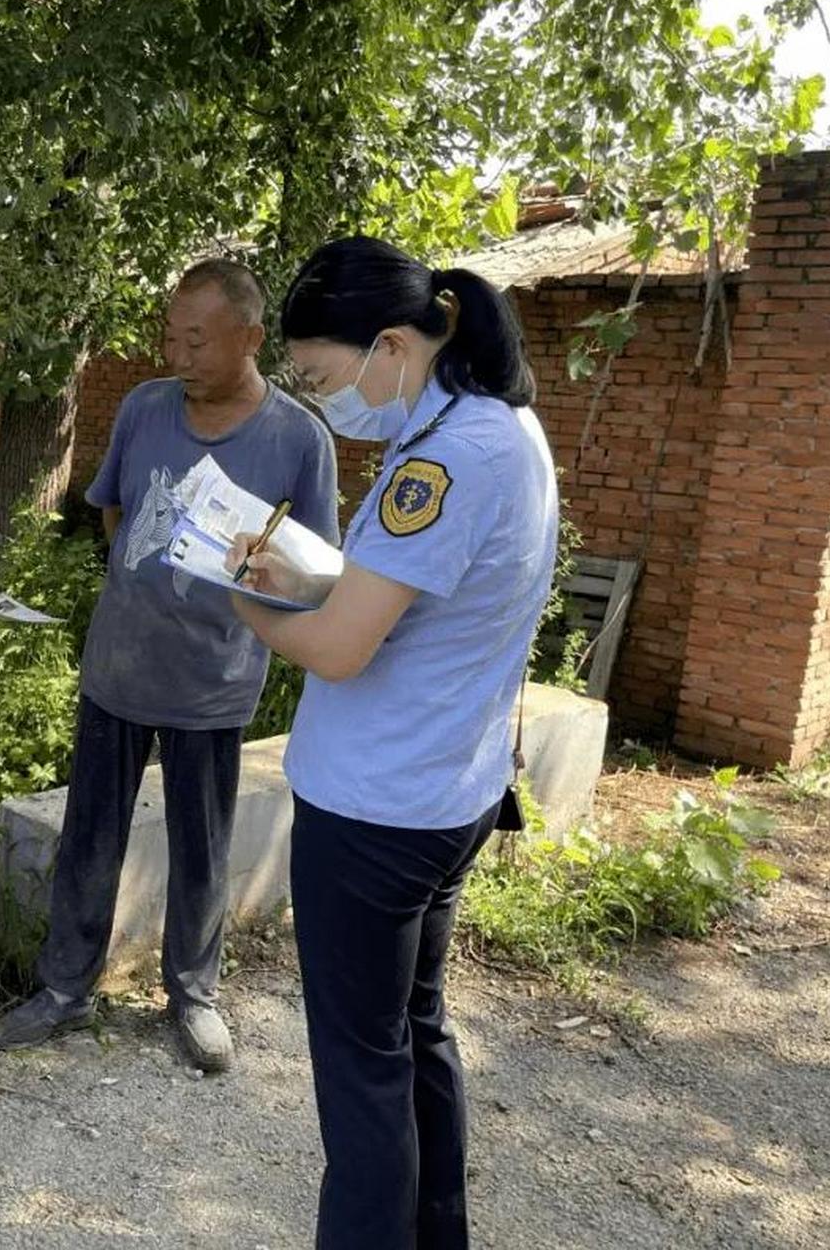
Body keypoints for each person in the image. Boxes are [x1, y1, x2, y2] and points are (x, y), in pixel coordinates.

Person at [228, 235, 558, 1249]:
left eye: (321, 376)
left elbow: (338, 649)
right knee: (413, 1036)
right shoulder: (498, 426)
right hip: (444, 793)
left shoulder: (445, 460)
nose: (323, 398)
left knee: (363, 1072)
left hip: (378, 812)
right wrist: (304, 580)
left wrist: (238, 596)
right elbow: (408, 596)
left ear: (390, 345)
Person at [0, 259, 340, 1072]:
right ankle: (64, 988)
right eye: (170, 336)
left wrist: (247, 589)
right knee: (89, 837)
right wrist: (138, 580)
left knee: (201, 845)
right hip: (119, 665)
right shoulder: (144, 407)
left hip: (213, 680)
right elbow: (112, 508)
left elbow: (316, 569)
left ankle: (193, 995)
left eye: (197, 341)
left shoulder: (296, 439)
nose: (177, 355)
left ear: (250, 338)